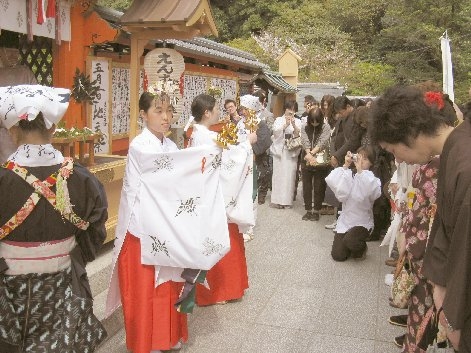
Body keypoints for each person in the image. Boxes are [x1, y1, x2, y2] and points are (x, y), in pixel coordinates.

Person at [0, 84, 108, 352]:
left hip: (10, 292)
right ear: (52, 128)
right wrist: (72, 256)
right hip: (64, 283)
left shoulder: (2, 179)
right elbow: (95, 229)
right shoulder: (81, 178)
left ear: (12, 131)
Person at [369, 85, 469, 352]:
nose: (397, 159)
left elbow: (464, 249)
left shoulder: (464, 163)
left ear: (411, 134)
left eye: (393, 150)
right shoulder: (454, 149)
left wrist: (455, 317)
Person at [107, 91, 193, 353]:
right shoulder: (140, 147)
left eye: (168, 111)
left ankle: (169, 336)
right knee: (148, 290)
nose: (166, 117)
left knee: (170, 284)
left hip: (168, 225)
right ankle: (148, 341)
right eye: (158, 111)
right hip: (143, 228)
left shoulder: (171, 146)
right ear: (143, 115)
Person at [190, 94, 254, 306]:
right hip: (213, 197)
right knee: (220, 241)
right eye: (216, 108)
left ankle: (219, 290)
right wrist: (247, 145)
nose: (219, 111)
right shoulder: (205, 137)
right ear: (206, 112)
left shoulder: (197, 134)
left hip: (209, 194)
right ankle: (218, 292)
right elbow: (230, 159)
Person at [326, 147, 381, 261]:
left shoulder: (372, 178)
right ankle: (350, 246)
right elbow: (335, 185)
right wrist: (345, 165)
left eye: (365, 159)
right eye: (359, 157)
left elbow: (371, 193)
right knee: (338, 256)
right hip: (346, 220)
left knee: (350, 241)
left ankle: (361, 249)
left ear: (371, 163)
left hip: (362, 222)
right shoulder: (349, 175)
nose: (360, 161)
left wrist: (360, 170)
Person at [270, 100, 302, 208]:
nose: (291, 112)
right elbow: (275, 132)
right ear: (285, 109)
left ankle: (287, 201)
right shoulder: (279, 120)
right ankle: (277, 200)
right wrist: (285, 125)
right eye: (290, 110)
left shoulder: (298, 121)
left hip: (291, 151)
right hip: (280, 150)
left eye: (293, 110)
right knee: (278, 175)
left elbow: (299, 135)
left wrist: (293, 125)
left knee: (290, 176)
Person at [300, 108, 331, 221]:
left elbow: (323, 141)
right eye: (312, 121)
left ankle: (317, 210)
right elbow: (304, 140)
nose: (314, 123)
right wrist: (308, 154)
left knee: (319, 186)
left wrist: (312, 153)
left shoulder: (325, 127)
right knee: (307, 186)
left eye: (316, 121)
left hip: (320, 160)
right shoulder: (304, 126)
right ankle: (308, 210)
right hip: (307, 158)